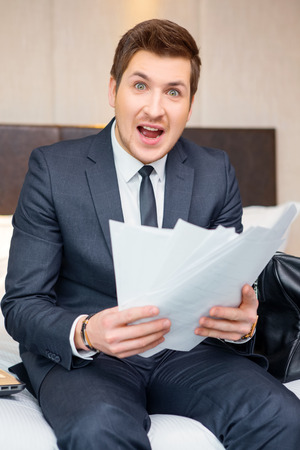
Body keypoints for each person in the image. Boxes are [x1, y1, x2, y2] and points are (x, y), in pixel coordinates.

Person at [2, 18, 300, 450]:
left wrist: (241, 322)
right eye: (140, 86)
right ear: (113, 91)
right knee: (99, 430)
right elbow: (21, 304)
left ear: (190, 105)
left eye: (173, 92)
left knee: (285, 418)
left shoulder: (215, 171)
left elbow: (229, 289)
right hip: (90, 361)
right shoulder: (53, 170)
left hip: (189, 356)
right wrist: (86, 331)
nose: (155, 109)